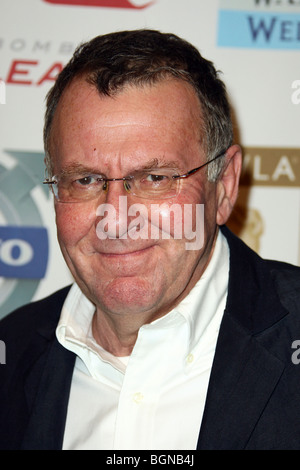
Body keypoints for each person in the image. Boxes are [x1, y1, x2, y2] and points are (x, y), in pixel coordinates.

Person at [0, 29, 300, 451]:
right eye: (85, 180)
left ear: (225, 185)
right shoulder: (10, 355)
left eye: (155, 179)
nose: (117, 219)